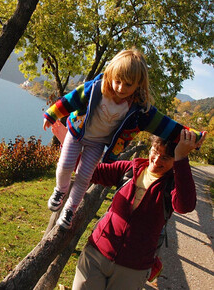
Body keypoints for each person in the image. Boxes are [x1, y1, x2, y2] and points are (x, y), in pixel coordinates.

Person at [43, 48, 203, 229]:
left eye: (128, 85)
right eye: (117, 81)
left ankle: (70, 209)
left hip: (97, 143)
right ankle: (60, 190)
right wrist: (52, 113)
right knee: (65, 165)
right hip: (76, 134)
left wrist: (194, 136)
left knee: (84, 176)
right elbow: (70, 100)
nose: (120, 88)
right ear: (111, 73)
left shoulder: (140, 111)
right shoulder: (95, 89)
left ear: (138, 84)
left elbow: (165, 125)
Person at [72, 129, 206, 290]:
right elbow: (92, 172)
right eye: (155, 151)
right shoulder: (130, 169)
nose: (156, 160)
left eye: (165, 157)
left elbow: (185, 206)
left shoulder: (172, 185)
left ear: (174, 160)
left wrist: (182, 158)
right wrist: (69, 140)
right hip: (95, 255)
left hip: (133, 269)